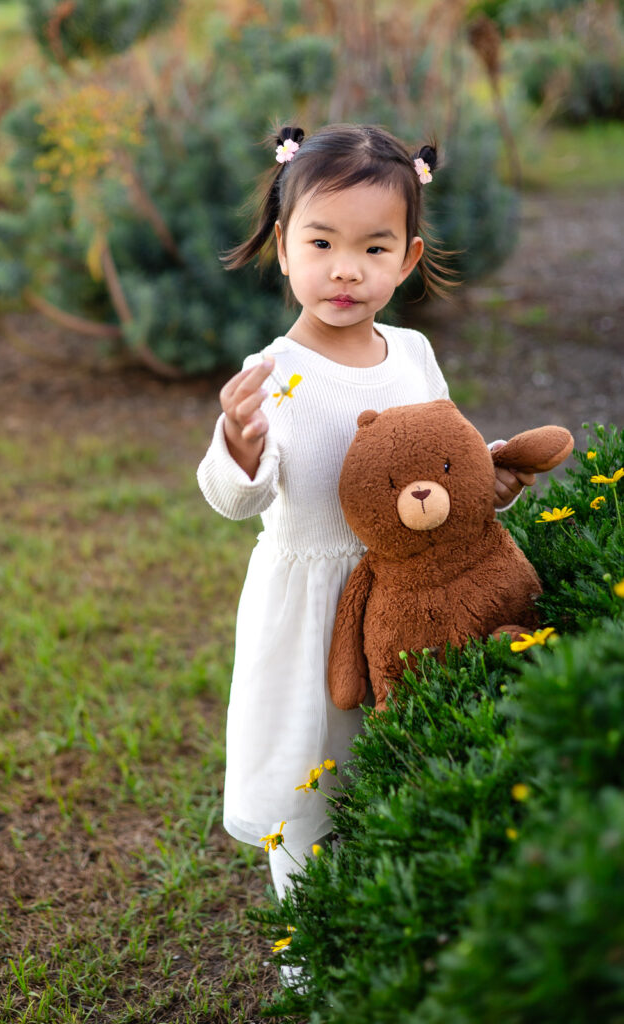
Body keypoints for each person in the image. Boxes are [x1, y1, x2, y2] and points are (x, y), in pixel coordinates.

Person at [197, 123, 533, 911]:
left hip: (414, 601)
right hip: (313, 613)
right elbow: (236, 497)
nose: (345, 269)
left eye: (375, 249)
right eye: (321, 243)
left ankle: (400, 918)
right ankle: (313, 949)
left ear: (408, 258)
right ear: (284, 248)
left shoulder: (412, 353)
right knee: (310, 781)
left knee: (400, 759)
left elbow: (432, 456)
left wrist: (486, 477)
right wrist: (238, 446)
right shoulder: (272, 373)